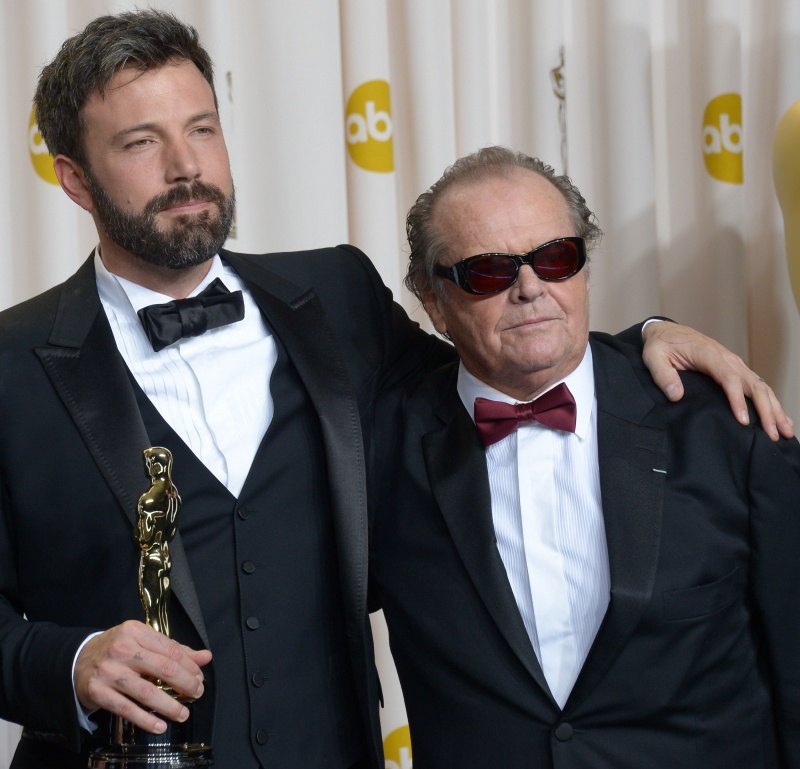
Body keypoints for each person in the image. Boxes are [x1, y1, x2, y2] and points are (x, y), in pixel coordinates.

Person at [0, 10, 788, 769]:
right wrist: (68, 660)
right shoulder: (12, 365)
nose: (187, 167)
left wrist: (647, 335)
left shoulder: (336, 295)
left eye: (202, 129)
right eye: (142, 142)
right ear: (74, 179)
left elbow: (501, 356)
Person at [369, 146, 800, 768]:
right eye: (489, 272)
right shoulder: (382, 451)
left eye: (556, 258)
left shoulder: (723, 424)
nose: (530, 288)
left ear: (585, 272)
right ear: (434, 302)